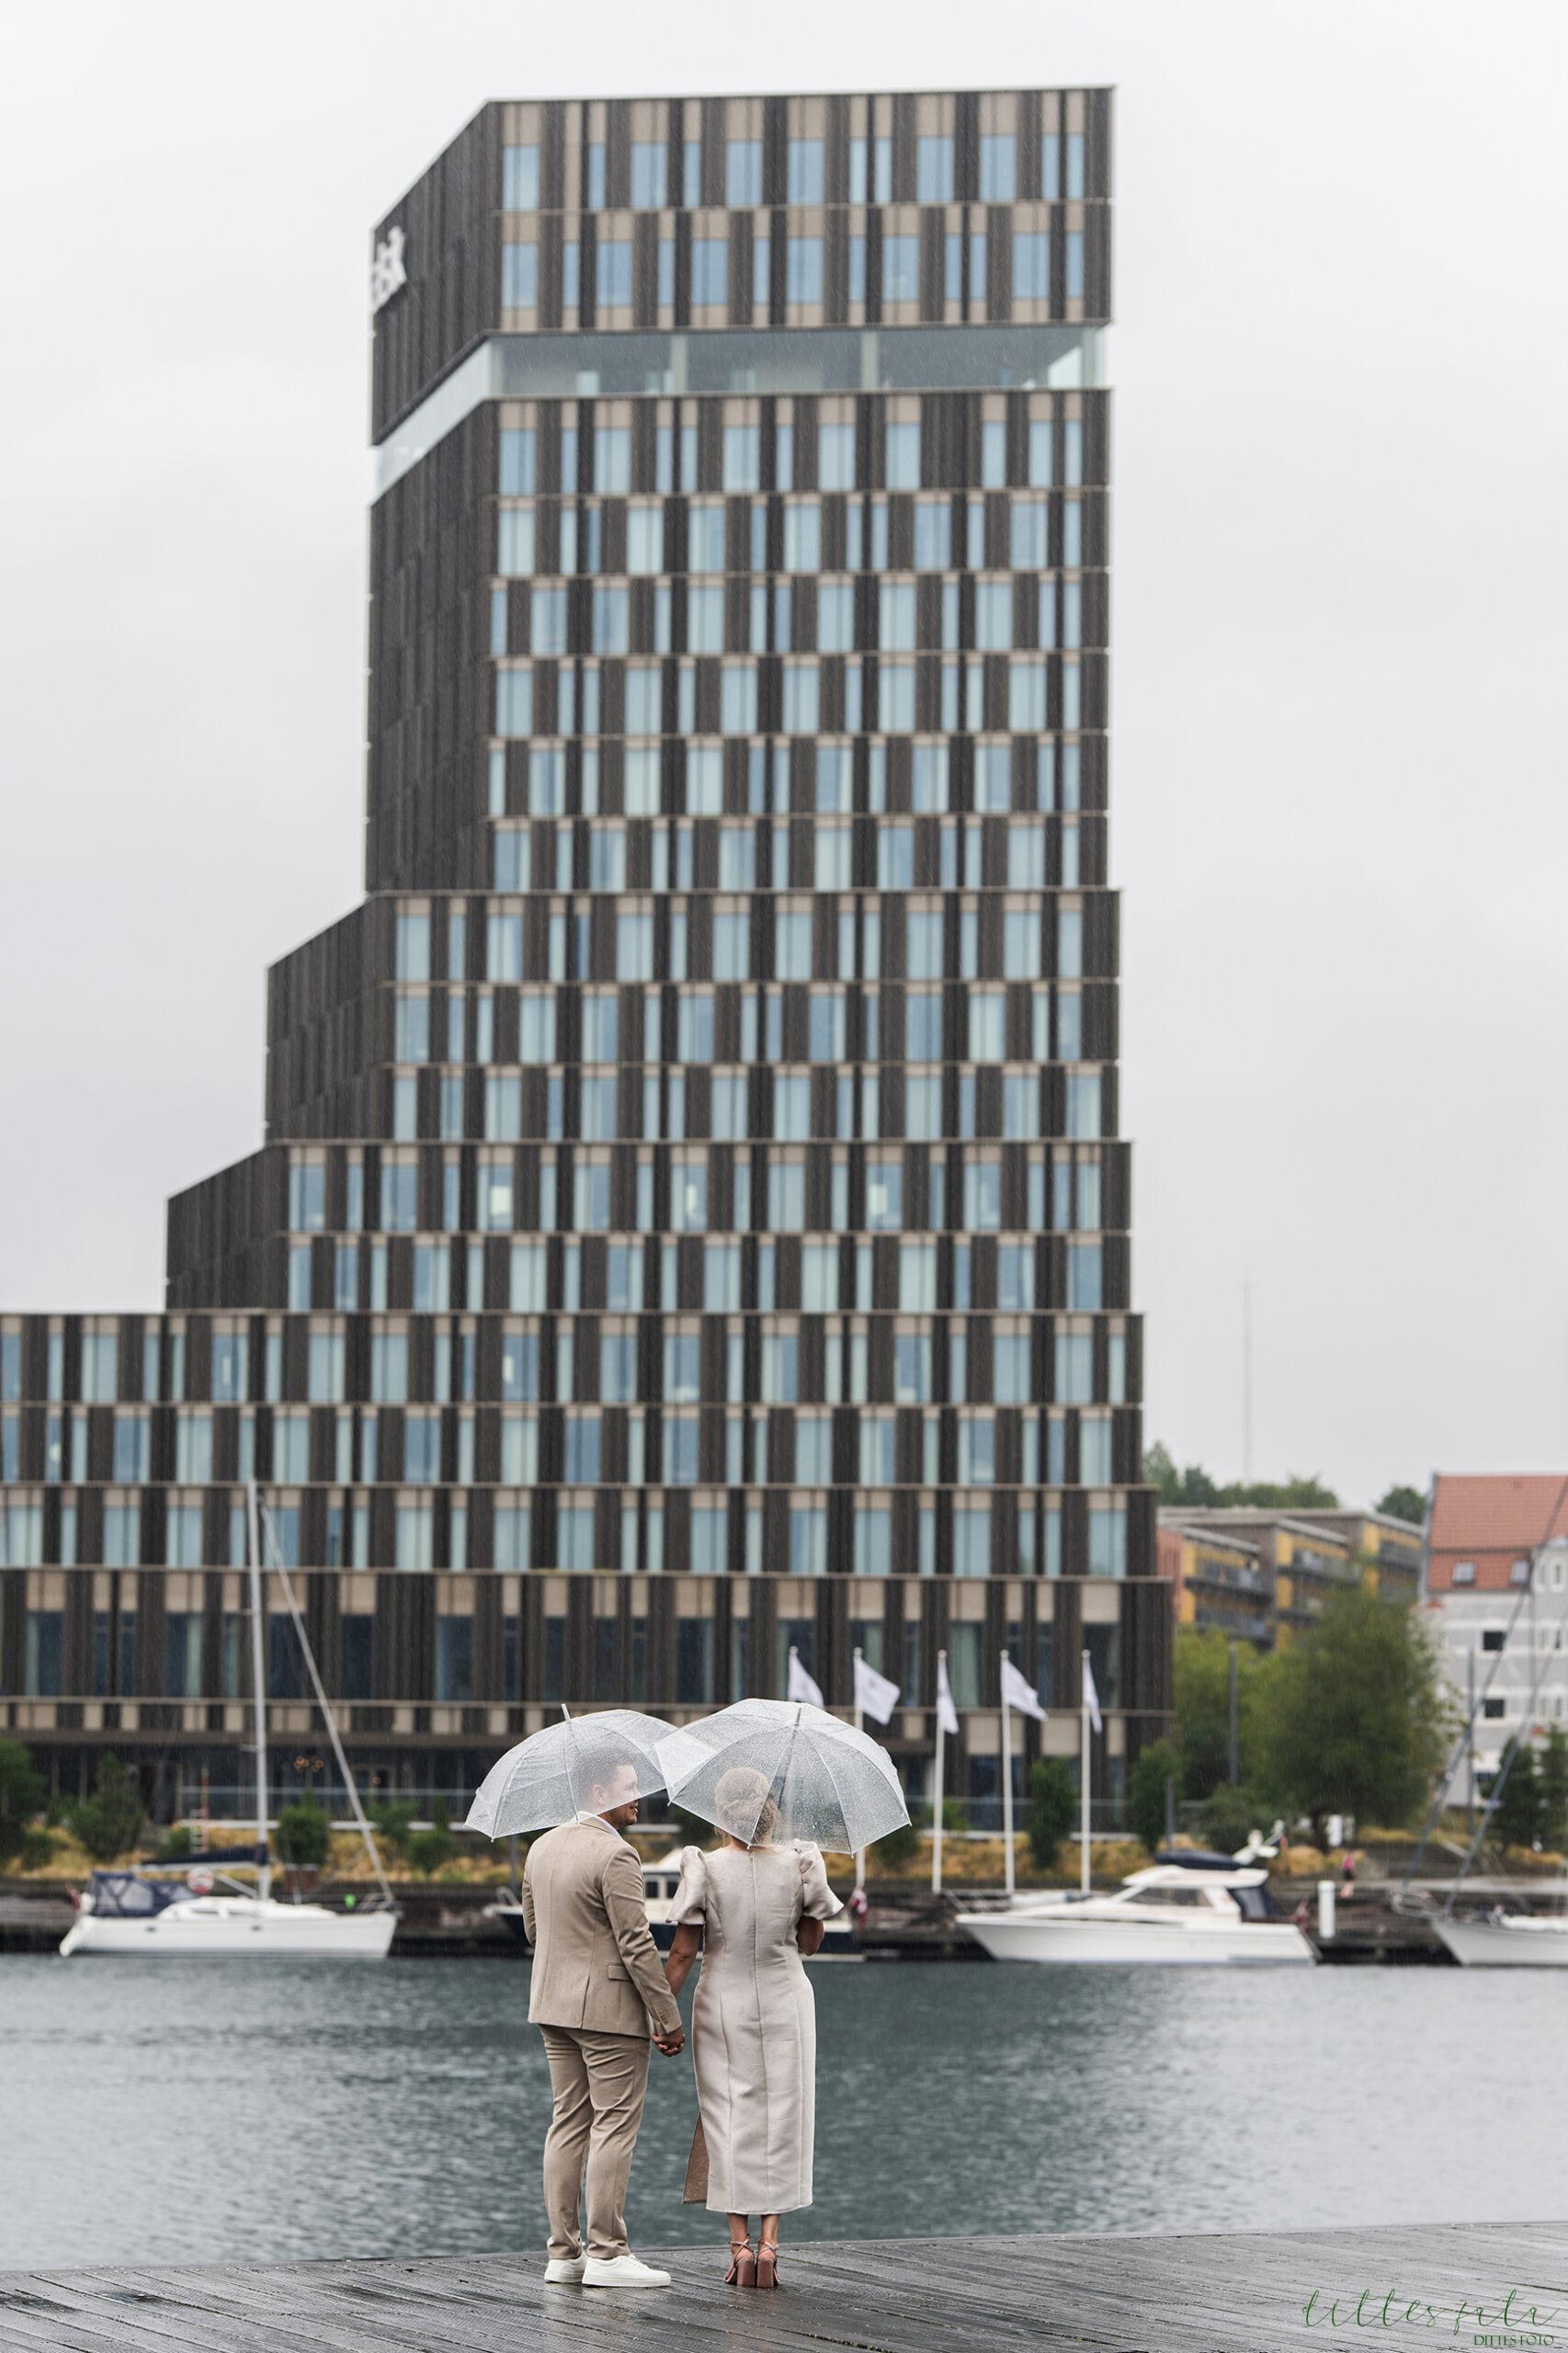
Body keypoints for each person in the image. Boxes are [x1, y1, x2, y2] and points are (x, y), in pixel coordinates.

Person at [662, 1767, 843, 2290]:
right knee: (783, 2116)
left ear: (721, 1814)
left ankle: (739, 2245)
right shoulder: (800, 1863)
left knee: (728, 2117)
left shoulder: (704, 1866)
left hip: (724, 2001)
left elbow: (683, 1952)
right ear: (771, 1814)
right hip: (787, 2001)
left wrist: (660, 2014)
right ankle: (770, 2245)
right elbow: (810, 1943)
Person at [521, 1760, 686, 2290]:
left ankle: (563, 2254)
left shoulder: (541, 1847)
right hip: (609, 2012)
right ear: (597, 1791)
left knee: (567, 2122)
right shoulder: (617, 1854)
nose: (639, 1796)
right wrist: (667, 2016)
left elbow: (533, 1931)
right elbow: (637, 1945)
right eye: (629, 1788)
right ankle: (609, 2254)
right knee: (614, 2123)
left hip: (552, 2004)